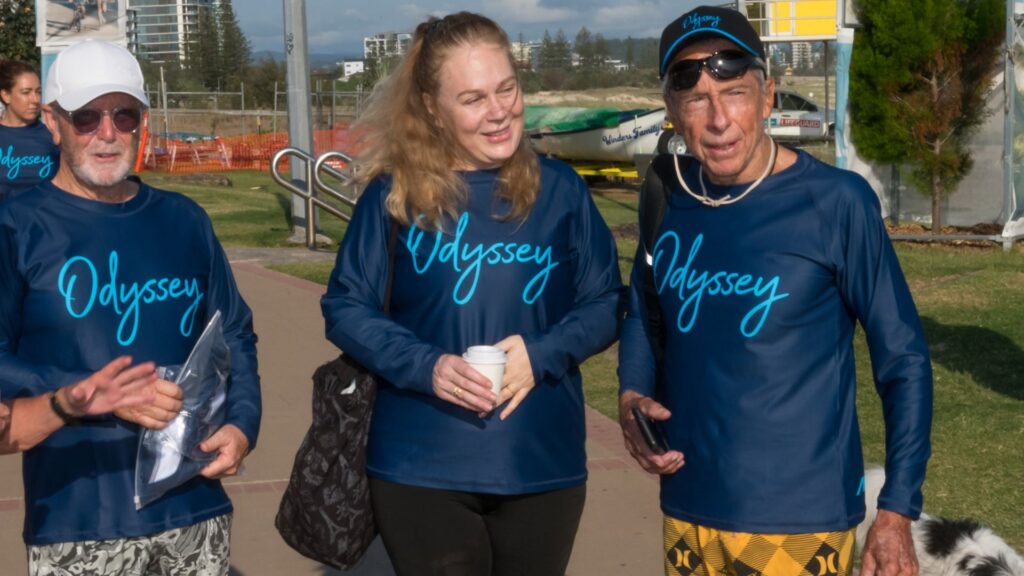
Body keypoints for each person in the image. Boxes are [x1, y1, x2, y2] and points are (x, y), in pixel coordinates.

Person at [617, 6, 933, 576]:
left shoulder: (837, 203)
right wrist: (631, 390)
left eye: (735, 93)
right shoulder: (665, 192)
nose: (718, 120)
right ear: (672, 110)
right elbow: (645, 305)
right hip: (687, 506)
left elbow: (903, 359)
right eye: (695, 99)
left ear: (767, 98)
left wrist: (897, 509)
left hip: (797, 520)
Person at [321, 12, 623, 576]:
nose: (500, 110)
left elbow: (606, 302)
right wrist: (426, 366)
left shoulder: (561, 190)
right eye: (473, 98)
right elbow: (345, 307)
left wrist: (542, 353)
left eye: (507, 88)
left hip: (541, 464)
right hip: (421, 466)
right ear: (432, 109)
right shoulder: (394, 196)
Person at [0, 39, 261, 575]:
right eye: (86, 116)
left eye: (123, 115)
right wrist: (84, 390)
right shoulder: (18, 227)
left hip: (195, 508)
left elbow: (234, 332)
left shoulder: (184, 220)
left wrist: (242, 425)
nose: (106, 132)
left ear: (143, 120)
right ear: (52, 122)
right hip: (79, 520)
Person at [0, 59, 59, 200]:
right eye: (26, 92)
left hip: (46, 220)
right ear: (6, 96)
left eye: (38, 92)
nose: (35, 99)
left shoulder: (53, 136)